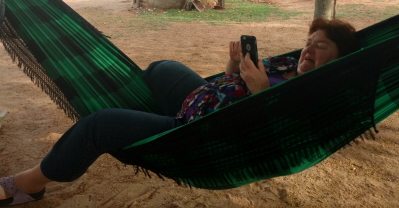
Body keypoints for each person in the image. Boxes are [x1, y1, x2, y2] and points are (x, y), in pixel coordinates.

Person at [0, 17, 358, 206]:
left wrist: (260, 90)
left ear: (340, 59)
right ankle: (138, 116)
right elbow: (231, 84)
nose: (307, 51)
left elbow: (264, 131)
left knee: (100, 124)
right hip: (205, 96)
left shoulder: (312, 96)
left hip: (196, 131)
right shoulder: (286, 65)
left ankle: (28, 186)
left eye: (320, 47)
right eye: (308, 43)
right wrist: (233, 67)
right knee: (162, 68)